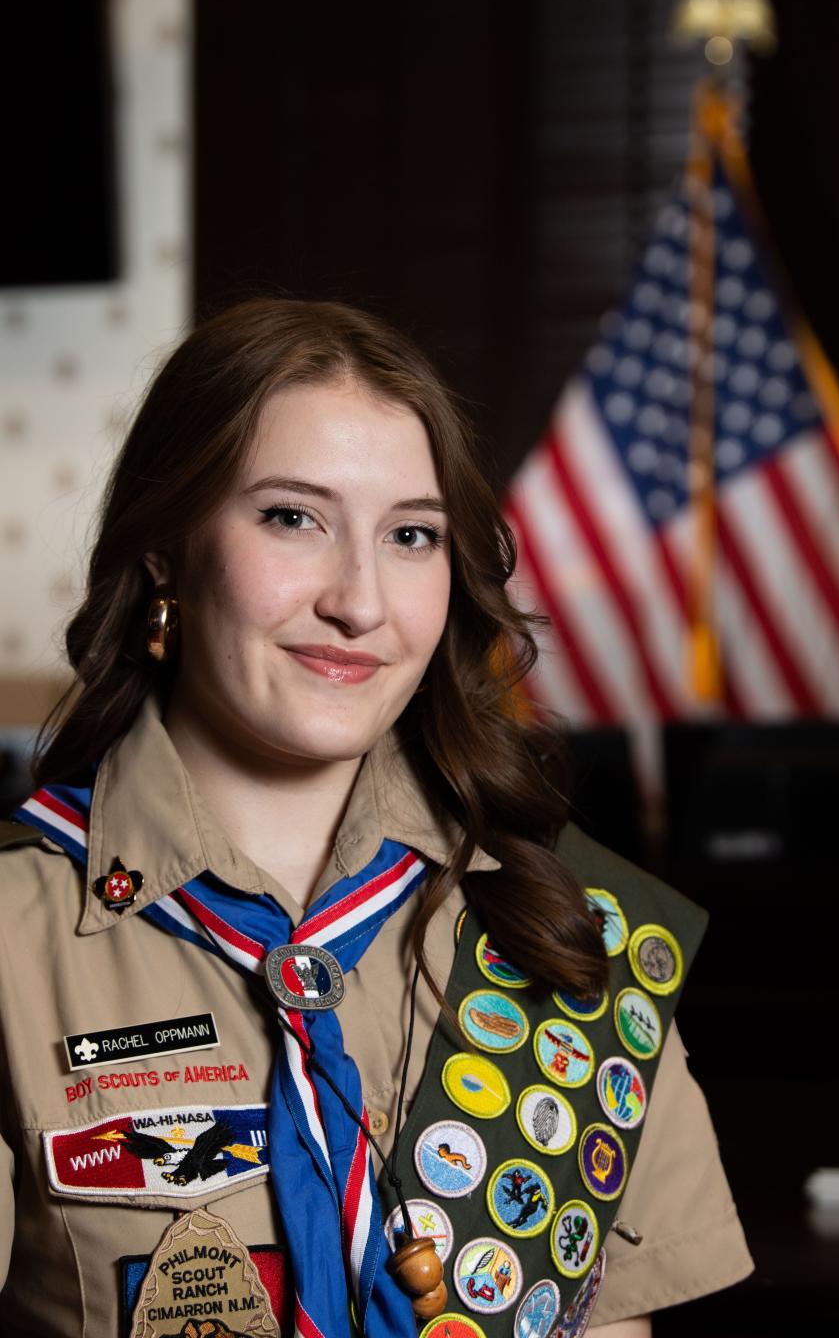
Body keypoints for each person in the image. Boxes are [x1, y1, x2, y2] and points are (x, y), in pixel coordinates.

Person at [0, 299, 752, 1338]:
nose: (360, 600)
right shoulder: (11, 945)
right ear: (168, 546)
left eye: (411, 535)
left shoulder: (577, 935)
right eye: (292, 517)